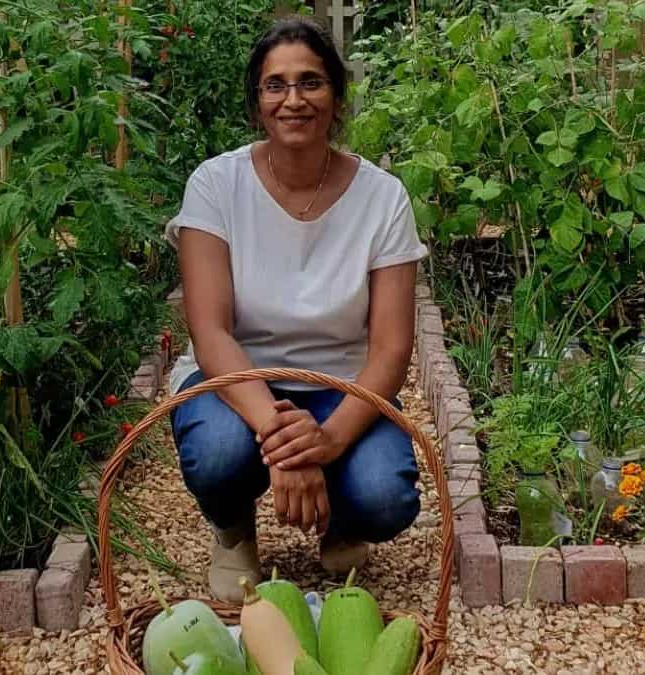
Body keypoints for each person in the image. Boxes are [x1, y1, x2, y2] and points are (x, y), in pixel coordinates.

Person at [163, 16, 427, 604]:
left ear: (336, 95)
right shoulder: (216, 185)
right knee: (219, 455)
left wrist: (327, 441)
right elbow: (211, 332)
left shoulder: (383, 198)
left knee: (386, 497)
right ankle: (233, 530)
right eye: (274, 85)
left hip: (344, 385)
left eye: (310, 82)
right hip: (236, 380)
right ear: (257, 102)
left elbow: (390, 350)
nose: (293, 100)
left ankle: (346, 521)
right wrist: (281, 436)